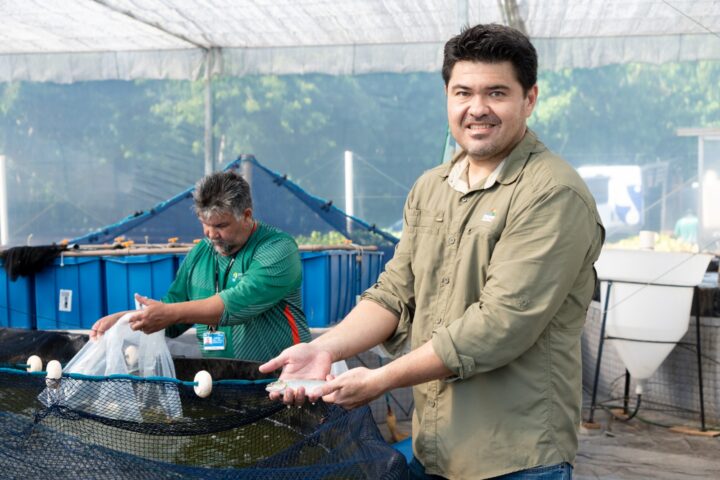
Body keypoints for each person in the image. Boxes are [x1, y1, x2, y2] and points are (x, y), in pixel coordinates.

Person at [260, 23, 605, 479]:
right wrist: (322, 349)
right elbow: (394, 294)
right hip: (435, 447)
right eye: (463, 92)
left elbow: (498, 325)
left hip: (516, 457)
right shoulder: (431, 187)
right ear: (447, 96)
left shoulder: (552, 193)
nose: (477, 109)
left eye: (496, 93)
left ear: (530, 99)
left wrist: (380, 380)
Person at [91, 170, 311, 362]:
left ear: (246, 216)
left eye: (221, 225)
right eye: (204, 224)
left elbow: (238, 304)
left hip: (282, 380)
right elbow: (172, 314)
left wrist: (171, 312)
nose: (211, 234)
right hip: (219, 383)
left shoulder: (277, 248)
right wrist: (125, 320)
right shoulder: (200, 254)